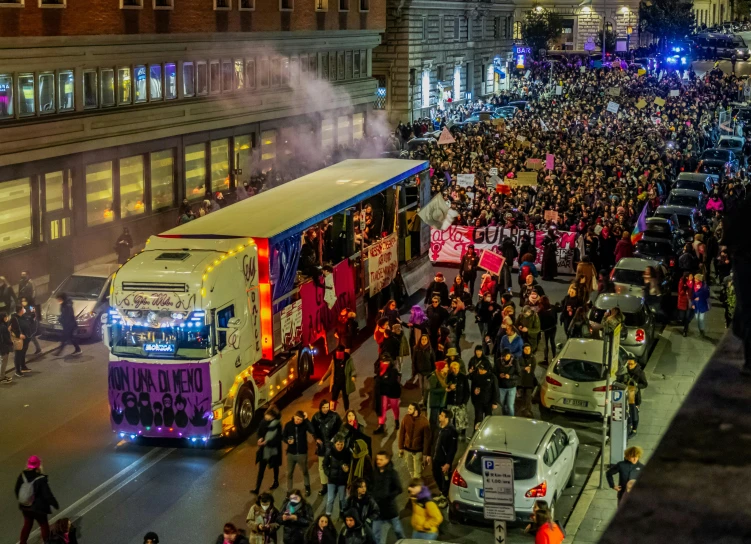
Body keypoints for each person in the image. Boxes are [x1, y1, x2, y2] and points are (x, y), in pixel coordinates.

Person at [16, 455, 58, 544]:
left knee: (27, 524)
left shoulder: (22, 475)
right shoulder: (41, 478)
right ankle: (47, 542)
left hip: (25, 507)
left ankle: (22, 542)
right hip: (38, 508)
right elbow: (47, 494)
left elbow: (17, 489)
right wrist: (54, 503)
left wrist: (25, 500)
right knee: (43, 525)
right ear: (39, 465)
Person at [371, 451, 405, 544]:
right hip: (377, 510)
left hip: (390, 509)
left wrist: (388, 497)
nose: (378, 461)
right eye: (377, 459)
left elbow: (399, 489)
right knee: (376, 534)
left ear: (387, 460)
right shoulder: (375, 473)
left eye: (381, 459)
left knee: (398, 531)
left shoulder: (392, 473)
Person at [312, 399, 342, 496]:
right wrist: (316, 438)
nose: (325, 409)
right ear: (320, 407)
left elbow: (340, 429)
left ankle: (334, 485)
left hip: (332, 445)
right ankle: (324, 486)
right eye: (324, 407)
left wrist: (335, 440)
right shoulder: (316, 417)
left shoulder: (335, 416)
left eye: (327, 407)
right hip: (322, 446)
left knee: (334, 466)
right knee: (321, 467)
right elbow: (313, 430)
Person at [284, 410, 315, 496]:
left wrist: (307, 419)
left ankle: (307, 488)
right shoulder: (288, 425)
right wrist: (287, 441)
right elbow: (283, 436)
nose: (298, 421)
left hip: (302, 453)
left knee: (305, 471)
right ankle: (289, 491)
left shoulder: (304, 425)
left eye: (300, 420)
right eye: (297, 419)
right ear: (294, 416)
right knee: (289, 473)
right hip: (291, 454)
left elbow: (312, 430)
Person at [253, 406, 282, 494]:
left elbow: (278, 438)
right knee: (261, 469)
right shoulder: (263, 422)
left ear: (272, 417)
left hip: (273, 450)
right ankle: (257, 488)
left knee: (275, 466)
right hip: (264, 450)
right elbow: (259, 432)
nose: (265, 417)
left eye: (267, 415)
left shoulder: (277, 425)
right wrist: (260, 438)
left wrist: (267, 442)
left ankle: (276, 481)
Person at [398, 403, 432, 479]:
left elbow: (427, 439)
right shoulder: (406, 418)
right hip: (407, 450)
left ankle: (417, 486)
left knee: (418, 472)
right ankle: (415, 483)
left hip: (418, 452)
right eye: (408, 408)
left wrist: (426, 453)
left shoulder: (424, 421)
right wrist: (401, 447)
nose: (408, 410)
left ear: (416, 410)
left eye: (410, 409)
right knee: (410, 469)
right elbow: (402, 433)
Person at [432, 409, 458, 503]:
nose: (439, 416)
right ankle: (442, 492)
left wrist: (448, 463)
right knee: (436, 474)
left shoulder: (452, 431)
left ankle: (445, 497)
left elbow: (453, 449)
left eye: (442, 415)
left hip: (444, 460)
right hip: (436, 458)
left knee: (445, 478)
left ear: (447, 418)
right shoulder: (438, 427)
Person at [323, 435, 352, 517]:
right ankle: (328, 515)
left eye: (341, 444)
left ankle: (342, 512)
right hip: (332, 480)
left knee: (342, 498)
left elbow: (350, 465)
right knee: (330, 499)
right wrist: (329, 473)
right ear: (334, 444)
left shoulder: (347, 453)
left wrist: (347, 469)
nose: (340, 446)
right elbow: (324, 465)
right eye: (338, 444)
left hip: (342, 480)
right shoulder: (330, 452)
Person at [321, 344, 357, 411]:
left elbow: (353, 369)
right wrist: (323, 379)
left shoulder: (348, 360)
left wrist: (353, 376)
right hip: (336, 382)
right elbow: (330, 370)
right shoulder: (334, 359)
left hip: (345, 383)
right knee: (333, 398)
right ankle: (332, 412)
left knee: (345, 398)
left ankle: (347, 411)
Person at [373, 354, 401, 434]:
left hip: (393, 392)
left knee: (394, 407)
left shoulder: (393, 371)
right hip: (383, 392)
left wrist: (380, 381)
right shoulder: (379, 369)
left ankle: (396, 420)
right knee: (382, 408)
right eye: (383, 361)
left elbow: (391, 382)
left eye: (387, 361)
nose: (385, 363)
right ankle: (381, 425)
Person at [470, 361, 498, 431]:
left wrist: (494, 402)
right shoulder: (476, 376)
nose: (480, 371)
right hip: (478, 402)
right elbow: (472, 388)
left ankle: (488, 434)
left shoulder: (492, 377)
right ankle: (476, 434)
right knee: (478, 419)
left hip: (488, 402)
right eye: (479, 369)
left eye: (482, 369)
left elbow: (495, 390)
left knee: (488, 419)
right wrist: (474, 400)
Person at [445, 360, 470, 439]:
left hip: (460, 402)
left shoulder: (463, 377)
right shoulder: (449, 377)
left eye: (456, 368)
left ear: (459, 368)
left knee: (462, 418)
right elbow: (446, 387)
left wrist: (464, 401)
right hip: (451, 402)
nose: (454, 370)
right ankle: (452, 433)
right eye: (453, 368)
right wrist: (449, 387)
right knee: (452, 419)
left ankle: (463, 434)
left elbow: (467, 391)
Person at [624, 358, 648, 438]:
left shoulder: (640, 373)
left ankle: (634, 429)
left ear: (635, 364)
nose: (629, 366)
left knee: (634, 413)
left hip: (634, 397)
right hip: (626, 395)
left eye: (631, 364)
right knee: (628, 413)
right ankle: (628, 427)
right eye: (628, 364)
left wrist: (637, 385)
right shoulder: (625, 371)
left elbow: (645, 384)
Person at [495, 349, 520, 417]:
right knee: (502, 405)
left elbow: (518, 374)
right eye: (504, 356)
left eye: (507, 356)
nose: (506, 358)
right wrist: (499, 375)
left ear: (510, 355)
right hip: (501, 387)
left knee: (510, 406)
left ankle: (511, 420)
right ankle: (504, 418)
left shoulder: (515, 362)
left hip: (511, 387)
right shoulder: (498, 361)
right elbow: (494, 372)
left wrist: (510, 377)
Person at [412, 335, 435, 405]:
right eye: (422, 339)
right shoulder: (416, 349)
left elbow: (433, 361)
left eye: (425, 339)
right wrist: (414, 371)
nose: (424, 341)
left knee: (426, 387)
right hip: (420, 372)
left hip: (428, 371)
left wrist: (433, 371)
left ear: (428, 340)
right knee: (421, 387)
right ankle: (423, 398)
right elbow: (414, 361)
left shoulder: (430, 350)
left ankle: (426, 400)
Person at [9, 304, 32, 377]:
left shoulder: (23, 317)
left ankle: (23, 366)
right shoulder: (14, 318)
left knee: (23, 353)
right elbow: (11, 329)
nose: (24, 309)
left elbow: (29, 322)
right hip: (19, 340)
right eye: (23, 308)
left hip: (25, 339)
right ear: (20, 310)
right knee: (18, 354)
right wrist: (19, 335)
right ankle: (17, 370)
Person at [426, 361, 449, 428]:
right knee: (433, 420)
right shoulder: (434, 376)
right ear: (441, 368)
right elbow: (432, 390)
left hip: (442, 401)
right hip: (435, 402)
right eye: (446, 367)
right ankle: (432, 434)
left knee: (441, 419)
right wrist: (444, 390)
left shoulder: (445, 375)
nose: (448, 368)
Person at [518, 343, 538, 418]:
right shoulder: (520, 358)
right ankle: (523, 408)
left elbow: (531, 370)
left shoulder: (532, 358)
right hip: (522, 381)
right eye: (525, 349)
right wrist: (524, 368)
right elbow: (518, 367)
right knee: (522, 396)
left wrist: (525, 369)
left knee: (528, 396)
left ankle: (528, 410)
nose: (527, 351)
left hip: (529, 381)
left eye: (528, 349)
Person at [676, 271, 693, 337]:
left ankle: (685, 330)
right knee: (682, 317)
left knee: (687, 317)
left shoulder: (691, 282)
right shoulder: (681, 282)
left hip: (689, 302)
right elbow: (680, 292)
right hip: (682, 302)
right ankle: (684, 324)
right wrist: (685, 288)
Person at [1, 312, 13, 384]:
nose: (7, 318)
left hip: (2, 346)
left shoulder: (2, 326)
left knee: (3, 361)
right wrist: (11, 343)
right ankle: (1, 377)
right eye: (5, 317)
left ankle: (3, 375)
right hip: (3, 347)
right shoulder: (2, 327)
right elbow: (5, 338)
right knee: (3, 362)